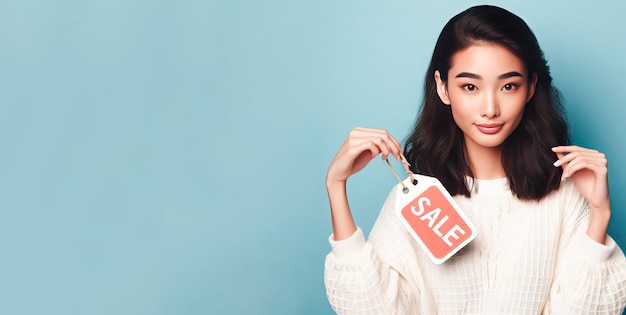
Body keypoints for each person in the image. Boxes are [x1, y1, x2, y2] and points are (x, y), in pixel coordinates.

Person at [324, 5, 626, 314]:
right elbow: (371, 309)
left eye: (509, 86)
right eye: (470, 86)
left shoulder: (564, 195)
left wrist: (600, 213)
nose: (490, 108)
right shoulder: (416, 198)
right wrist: (336, 185)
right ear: (443, 87)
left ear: (531, 87)